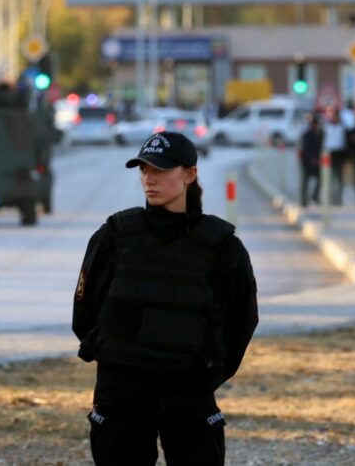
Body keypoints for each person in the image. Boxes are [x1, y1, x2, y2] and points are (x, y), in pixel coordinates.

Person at [72, 132, 258, 465]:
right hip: (122, 391)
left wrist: (206, 376)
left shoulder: (221, 246)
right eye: (144, 170)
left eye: (161, 170)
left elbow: (242, 320)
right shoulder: (115, 235)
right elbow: (84, 311)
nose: (150, 179)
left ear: (190, 174)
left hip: (187, 391)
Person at [322, 106, 347, 205]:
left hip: (339, 154)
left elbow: (345, 143)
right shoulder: (326, 127)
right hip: (328, 154)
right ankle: (330, 198)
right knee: (328, 177)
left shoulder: (342, 127)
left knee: (339, 178)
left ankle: (338, 198)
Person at [299, 114, 324, 207]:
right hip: (307, 162)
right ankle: (303, 200)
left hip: (317, 161)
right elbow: (306, 148)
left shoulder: (320, 134)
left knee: (320, 180)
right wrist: (312, 158)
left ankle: (315, 196)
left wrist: (318, 159)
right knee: (305, 181)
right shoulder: (306, 134)